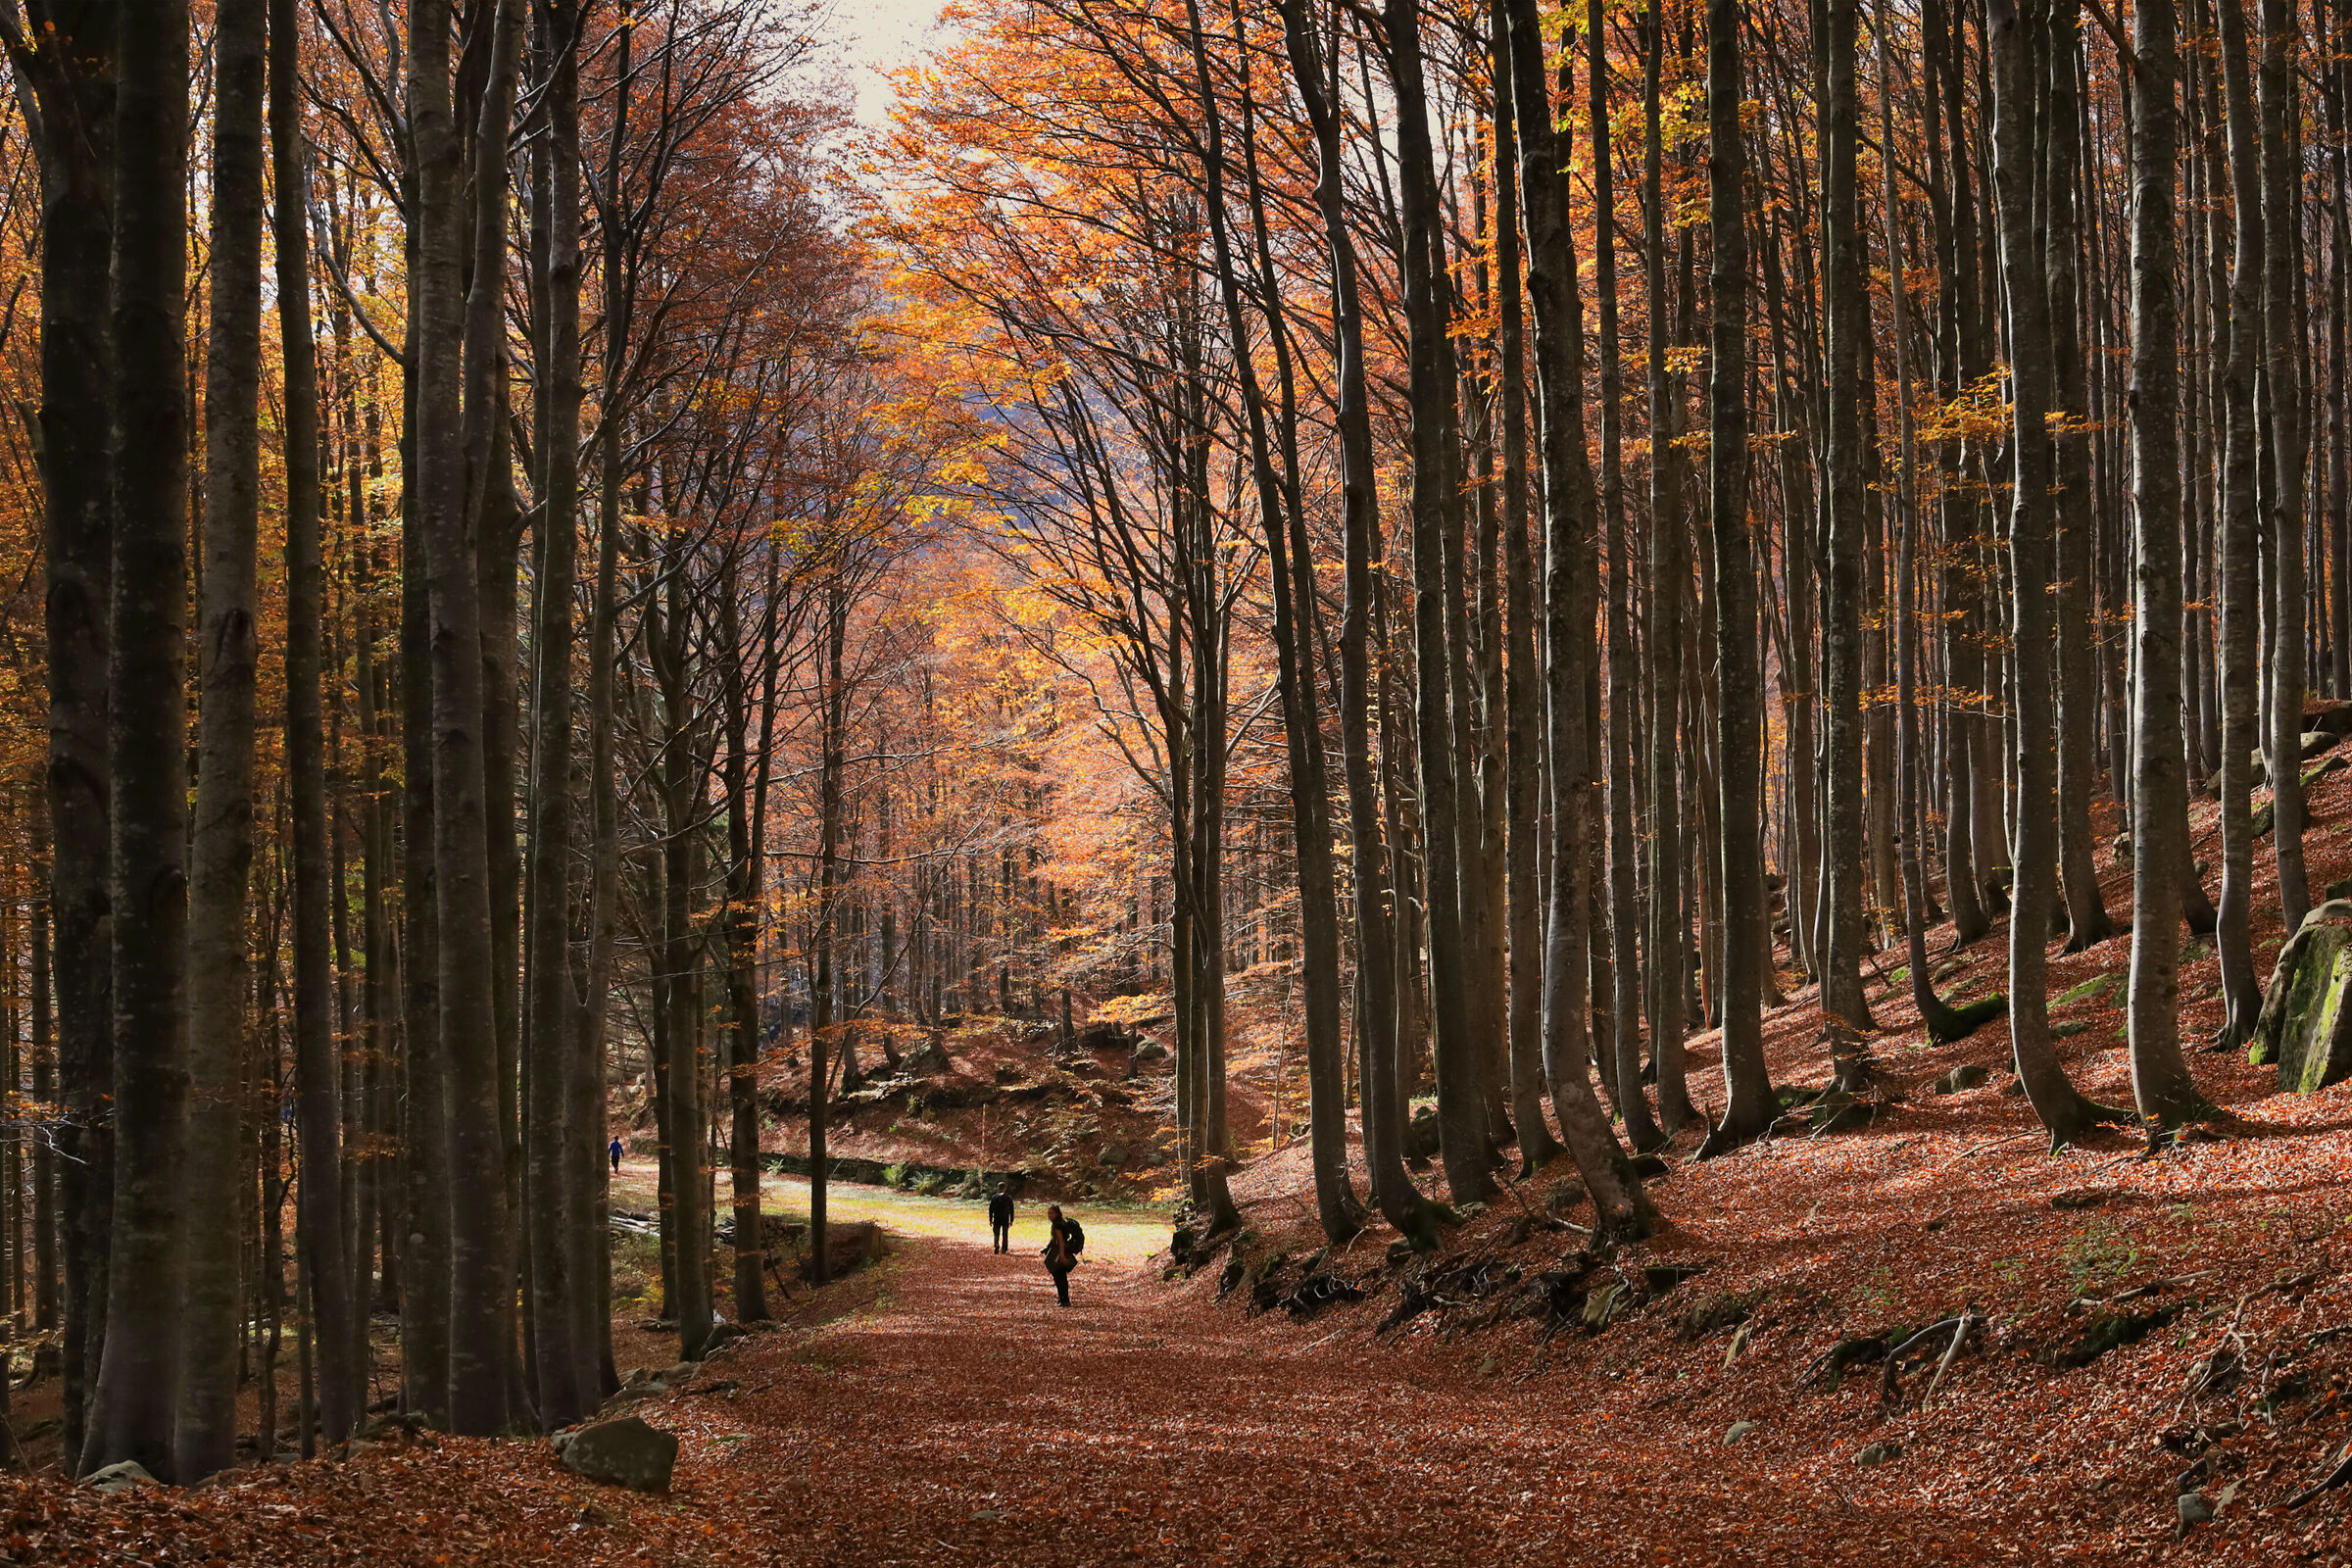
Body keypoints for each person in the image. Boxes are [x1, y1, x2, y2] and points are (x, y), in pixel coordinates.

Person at [1042, 1203, 1085, 1306]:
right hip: (1063, 1250)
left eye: (1051, 1213)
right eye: (1048, 1213)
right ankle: (1063, 1299)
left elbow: (1060, 1241)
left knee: (1058, 1275)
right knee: (1061, 1276)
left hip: (1061, 1251)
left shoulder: (1057, 1225)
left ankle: (1064, 1300)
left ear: (1057, 1213)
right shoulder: (1061, 1222)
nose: (1049, 1215)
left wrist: (1062, 1255)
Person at [988, 1183, 1015, 1253]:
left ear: (998, 1188)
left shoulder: (994, 1197)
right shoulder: (1008, 1197)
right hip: (1005, 1217)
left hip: (997, 1217)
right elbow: (1011, 1209)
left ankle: (996, 1244)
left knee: (996, 1232)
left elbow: (991, 1209)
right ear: (1005, 1188)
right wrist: (1011, 1219)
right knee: (1005, 1233)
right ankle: (1004, 1248)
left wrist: (990, 1219)